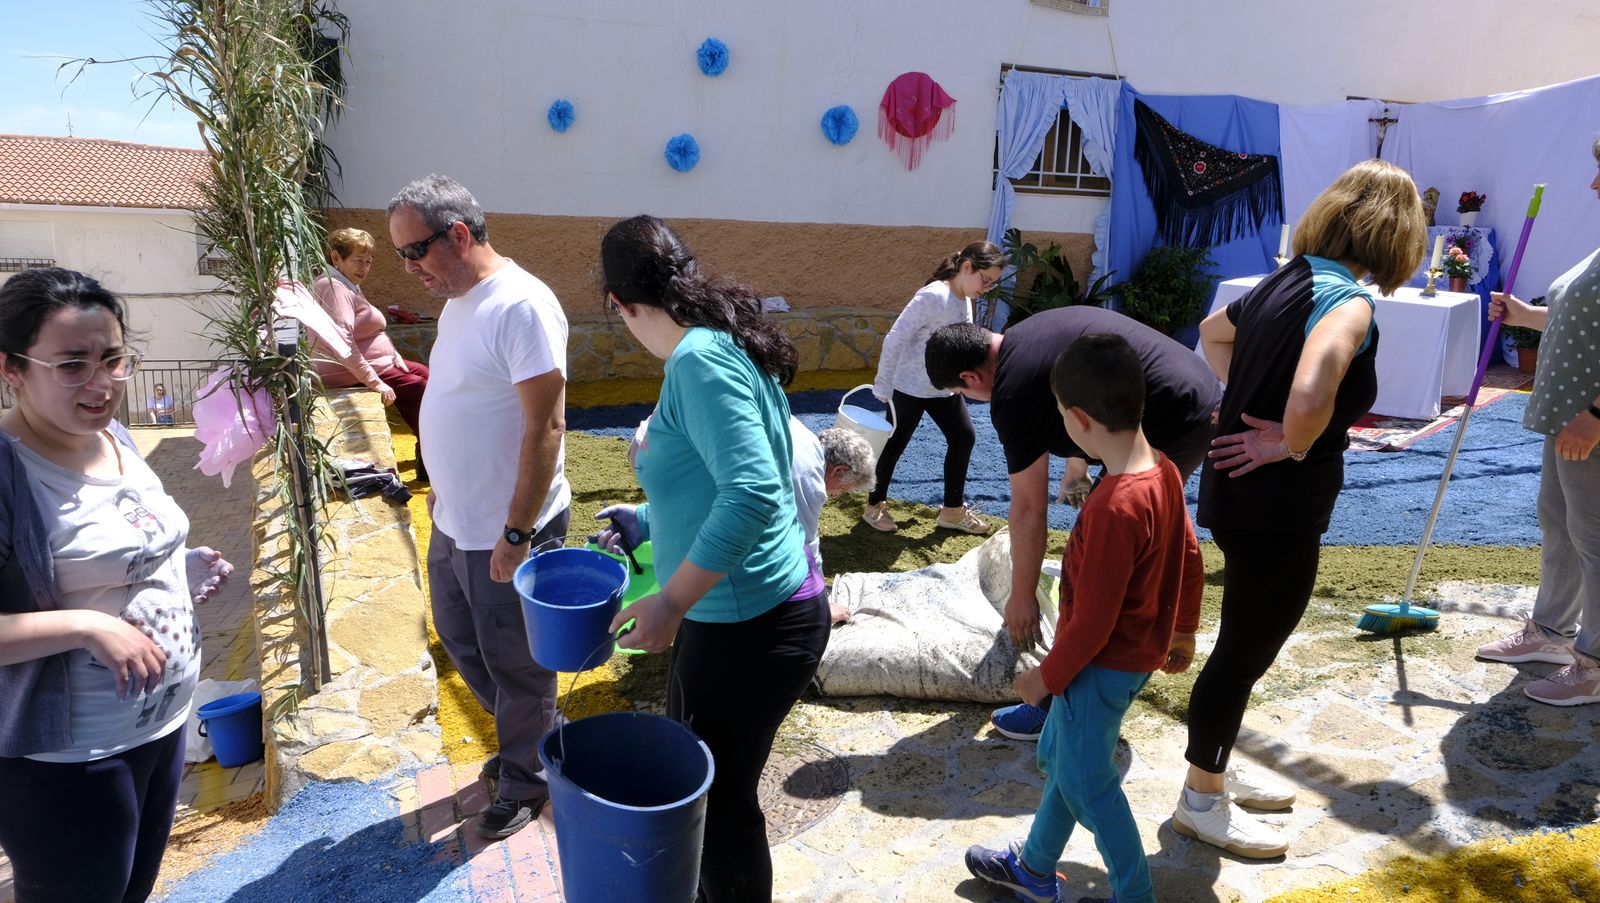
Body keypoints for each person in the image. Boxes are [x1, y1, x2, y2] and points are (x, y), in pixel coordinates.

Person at [1175, 159, 1426, 857]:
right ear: (1395, 236)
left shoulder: (1283, 279)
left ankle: (1212, 771)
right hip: (1276, 501)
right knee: (1244, 648)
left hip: (1237, 492)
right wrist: (1288, 439)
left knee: (1244, 643)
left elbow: (1211, 332)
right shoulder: (1348, 301)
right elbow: (1316, 388)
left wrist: (1253, 400)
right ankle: (1200, 798)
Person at [593, 215, 830, 902]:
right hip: (748, 615)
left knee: (720, 810)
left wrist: (670, 601)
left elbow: (755, 491)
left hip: (750, 628)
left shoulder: (698, 359)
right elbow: (729, 472)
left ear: (618, 304)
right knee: (711, 797)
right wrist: (649, 520)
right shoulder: (717, 346)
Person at [0, 267, 232, 902]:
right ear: (11, 369)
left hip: (160, 728)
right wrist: (90, 625)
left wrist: (172, 571)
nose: (101, 384)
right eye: (72, 365)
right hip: (70, 761)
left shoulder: (114, 436)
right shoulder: (8, 472)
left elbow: (112, 552)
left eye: (113, 359)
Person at [964, 333, 1201, 903]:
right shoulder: (1163, 470)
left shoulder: (1115, 509)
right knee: (1066, 763)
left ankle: (1133, 894)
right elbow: (1191, 555)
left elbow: (1094, 625)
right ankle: (1034, 866)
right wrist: (1184, 628)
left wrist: (1042, 681)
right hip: (1134, 656)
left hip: (1099, 667)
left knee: (1090, 787)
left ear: (1076, 419)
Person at [925, 307, 1219, 740]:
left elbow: (1029, 508)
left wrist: (1021, 597)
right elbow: (1076, 395)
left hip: (1174, 415)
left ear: (970, 379)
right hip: (1202, 393)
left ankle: (1059, 700)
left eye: (963, 394)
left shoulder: (1013, 393)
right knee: (1155, 532)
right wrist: (1184, 626)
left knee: (1089, 574)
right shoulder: (1027, 336)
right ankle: (1139, 646)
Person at [387, 175, 569, 840]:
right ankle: (537, 735)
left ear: (459, 235)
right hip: (455, 518)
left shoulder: (521, 304)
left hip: (508, 529)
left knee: (516, 660)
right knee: (464, 640)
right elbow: (463, 399)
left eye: (414, 252)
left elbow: (546, 425)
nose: (408, 270)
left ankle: (528, 777)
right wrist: (444, 482)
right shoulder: (459, 301)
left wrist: (517, 531)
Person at [1474, 139, 1600, 706]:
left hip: (1589, 422)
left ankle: (1594, 665)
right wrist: (1528, 316)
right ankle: (1551, 634)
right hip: (1567, 418)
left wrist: (1595, 417)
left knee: (1594, 539)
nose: (1594, 185)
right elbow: (1584, 324)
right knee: (1559, 523)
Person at [861, 241, 1004, 535]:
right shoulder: (932, 296)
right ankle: (874, 506)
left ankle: (952, 511)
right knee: (893, 446)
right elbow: (896, 337)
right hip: (909, 388)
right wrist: (884, 383)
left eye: (992, 284)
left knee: (964, 437)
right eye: (985, 280)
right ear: (967, 268)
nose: (987, 288)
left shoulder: (965, 296)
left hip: (945, 389)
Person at [310, 227, 430, 449]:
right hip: (345, 372)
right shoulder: (333, 287)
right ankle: (431, 449)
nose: (364, 268)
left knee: (424, 374)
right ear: (336, 257)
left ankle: (428, 448)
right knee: (417, 386)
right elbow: (342, 343)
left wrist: (393, 354)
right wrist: (377, 383)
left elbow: (371, 330)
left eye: (368, 261)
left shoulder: (346, 284)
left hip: (375, 364)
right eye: (358, 260)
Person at [789, 421, 877, 624]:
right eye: (843, 489)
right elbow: (806, 545)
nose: (835, 495)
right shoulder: (808, 476)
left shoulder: (806, 437)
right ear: (839, 470)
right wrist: (820, 605)